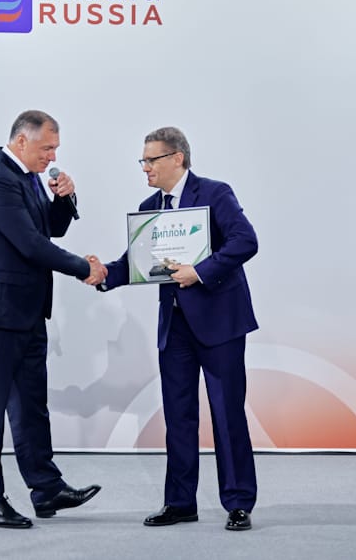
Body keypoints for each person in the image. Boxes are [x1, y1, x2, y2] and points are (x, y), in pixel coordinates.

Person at [97, 126, 259, 531]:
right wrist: (101, 274)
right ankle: (180, 502)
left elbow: (245, 241)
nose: (145, 168)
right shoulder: (150, 207)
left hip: (220, 323)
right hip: (175, 326)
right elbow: (136, 264)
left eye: (151, 160)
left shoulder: (215, 193)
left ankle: (238, 503)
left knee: (226, 414)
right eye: (143, 161)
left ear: (177, 158)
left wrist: (198, 272)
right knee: (178, 416)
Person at [0, 110, 106, 529]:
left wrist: (62, 199)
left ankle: (46, 488)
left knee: (31, 407)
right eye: (47, 148)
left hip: (25, 311)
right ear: (21, 141)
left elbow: (49, 231)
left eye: (55, 149)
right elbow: (30, 245)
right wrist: (85, 268)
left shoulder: (27, 178)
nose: (53, 156)